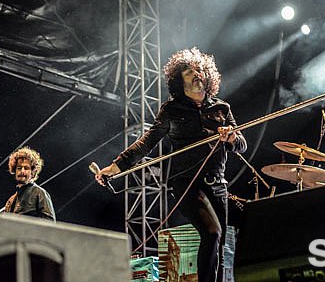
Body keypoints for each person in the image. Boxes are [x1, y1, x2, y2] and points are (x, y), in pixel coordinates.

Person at [96, 47, 246, 282]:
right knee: (212, 232)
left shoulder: (222, 108)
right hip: (188, 184)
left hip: (218, 186)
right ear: (179, 81)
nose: (196, 74)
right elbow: (147, 142)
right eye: (189, 72)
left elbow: (241, 145)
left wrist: (232, 138)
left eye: (199, 70)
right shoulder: (171, 110)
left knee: (220, 247)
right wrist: (116, 167)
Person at [3, 146, 56, 221]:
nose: (22, 171)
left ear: (33, 172)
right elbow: (4, 225)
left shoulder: (40, 193)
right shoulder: (10, 200)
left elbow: (49, 223)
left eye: (26, 168)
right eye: (19, 168)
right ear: (15, 171)